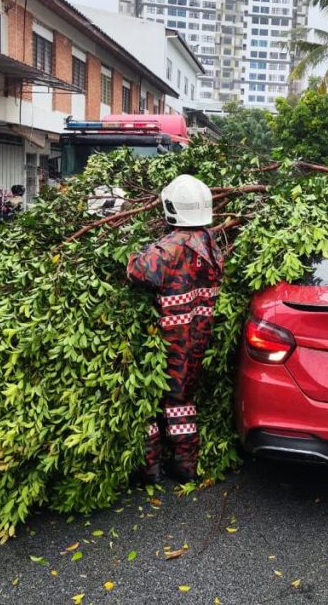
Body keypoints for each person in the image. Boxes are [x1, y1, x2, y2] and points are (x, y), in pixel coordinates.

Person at [126, 174, 223, 483]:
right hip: (198, 337)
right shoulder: (210, 244)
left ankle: (149, 467)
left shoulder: (169, 247)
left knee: (151, 399)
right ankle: (185, 465)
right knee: (182, 399)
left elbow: (139, 272)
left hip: (167, 339)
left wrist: (134, 251)